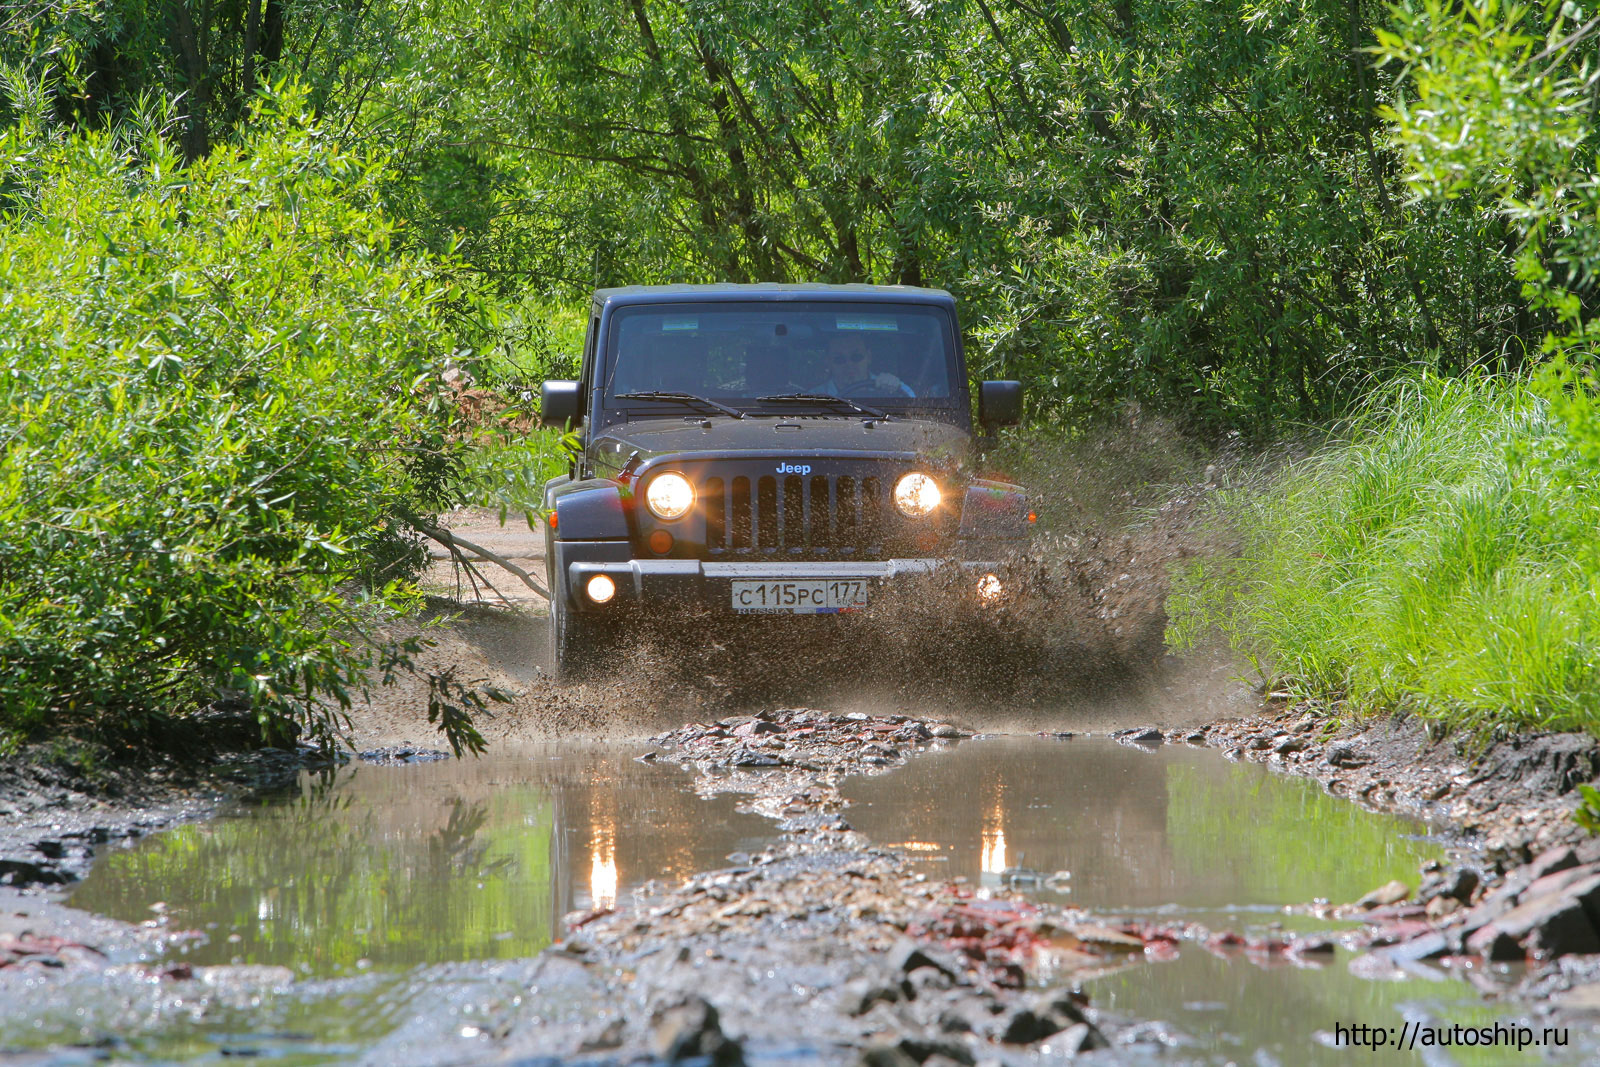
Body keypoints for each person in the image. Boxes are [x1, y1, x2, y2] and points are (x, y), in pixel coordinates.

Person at [811, 335, 914, 397]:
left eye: (856, 357)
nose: (849, 365)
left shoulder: (895, 389)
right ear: (828, 362)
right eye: (839, 359)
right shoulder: (815, 397)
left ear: (869, 357)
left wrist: (892, 391)